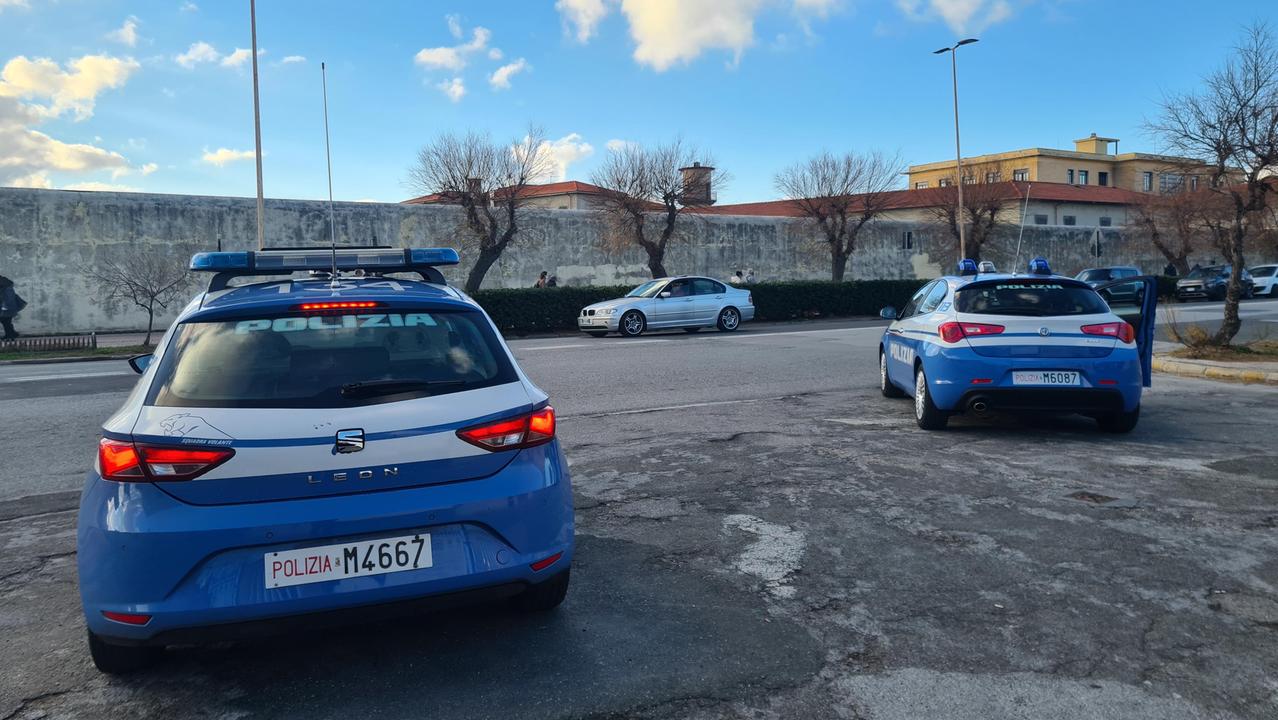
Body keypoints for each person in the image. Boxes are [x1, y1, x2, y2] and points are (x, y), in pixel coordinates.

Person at [0, 275, 25, 341]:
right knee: (6, 321)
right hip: (8, 306)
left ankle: (10, 336)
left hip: (6, 307)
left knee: (5, 321)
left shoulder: (4, 286)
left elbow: (6, 298)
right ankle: (12, 334)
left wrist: (5, 306)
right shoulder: (6, 284)